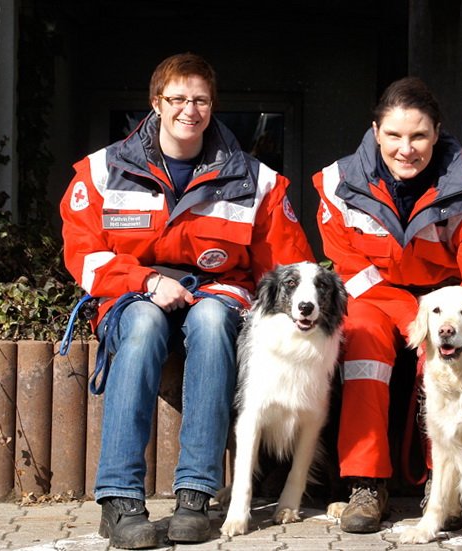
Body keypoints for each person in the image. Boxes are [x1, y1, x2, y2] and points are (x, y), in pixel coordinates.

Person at [60, 52, 314, 548]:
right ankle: (120, 500)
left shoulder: (256, 182)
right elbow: (84, 258)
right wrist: (146, 283)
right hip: (135, 294)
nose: (188, 110)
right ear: (157, 103)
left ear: (212, 105)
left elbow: (287, 270)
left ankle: (195, 494)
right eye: (177, 99)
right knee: (143, 326)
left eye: (199, 99)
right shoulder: (100, 171)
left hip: (218, 295)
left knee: (214, 319)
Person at [312, 76, 462, 534]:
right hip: (377, 299)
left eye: (418, 135)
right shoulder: (336, 186)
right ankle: (365, 483)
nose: (406, 148)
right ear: (375, 132)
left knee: (444, 358)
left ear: (437, 133)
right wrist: (414, 321)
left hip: (447, 304)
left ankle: (445, 488)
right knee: (364, 342)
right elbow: (355, 274)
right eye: (394, 135)